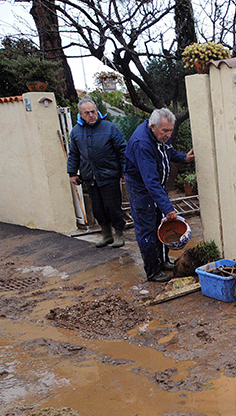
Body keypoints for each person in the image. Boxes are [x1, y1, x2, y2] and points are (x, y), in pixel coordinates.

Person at [124, 108, 194, 283]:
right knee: (147, 229)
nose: (169, 135)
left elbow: (168, 152)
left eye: (171, 130)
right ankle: (153, 271)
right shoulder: (142, 143)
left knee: (161, 225)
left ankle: (163, 261)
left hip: (156, 187)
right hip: (141, 190)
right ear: (153, 126)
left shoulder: (159, 136)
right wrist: (168, 209)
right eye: (165, 131)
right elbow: (150, 182)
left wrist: (184, 158)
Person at [67, 97, 127, 248]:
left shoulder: (109, 128)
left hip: (110, 176)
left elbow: (122, 150)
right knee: (98, 209)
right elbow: (74, 154)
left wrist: (126, 171)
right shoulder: (76, 132)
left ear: (97, 111)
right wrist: (72, 173)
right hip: (90, 177)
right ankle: (106, 235)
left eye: (93, 111)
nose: (91, 115)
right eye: (87, 113)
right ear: (81, 114)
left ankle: (119, 233)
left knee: (113, 207)